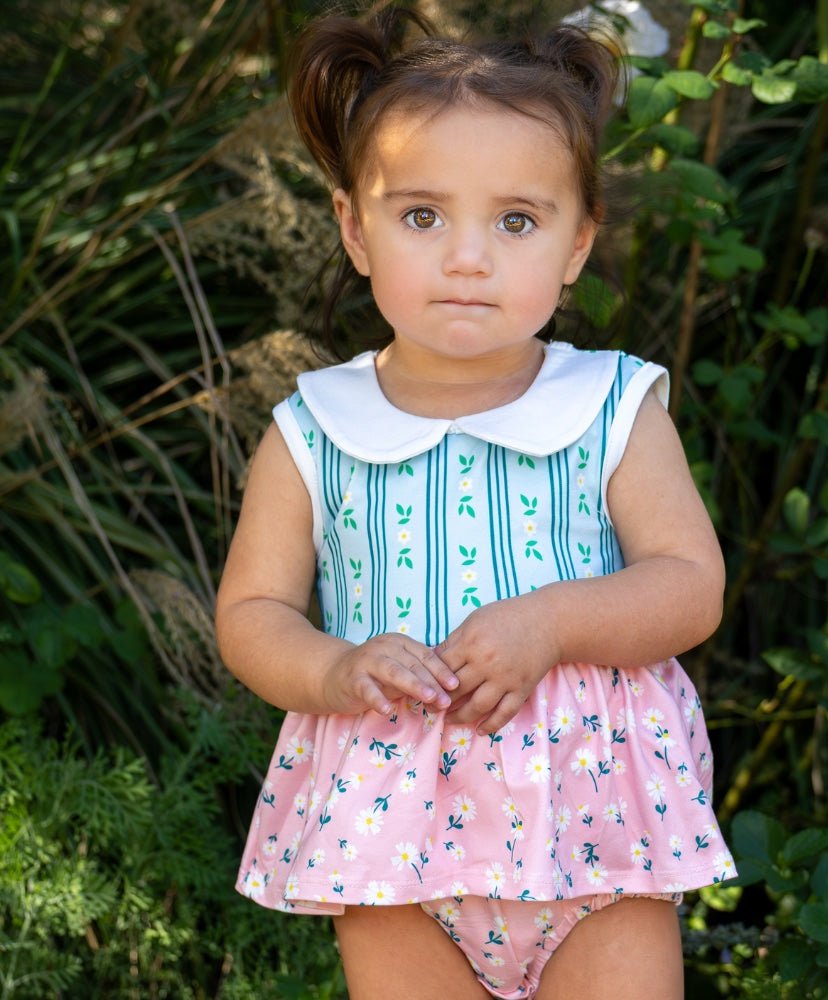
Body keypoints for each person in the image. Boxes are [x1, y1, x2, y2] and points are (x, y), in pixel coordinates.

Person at [215, 5, 735, 998]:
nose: (467, 256)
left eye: (516, 221)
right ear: (353, 228)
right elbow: (251, 614)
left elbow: (689, 586)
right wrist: (335, 667)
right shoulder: (315, 429)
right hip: (390, 834)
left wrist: (550, 622)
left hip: (598, 824)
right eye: (423, 216)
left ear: (577, 244)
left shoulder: (611, 405)